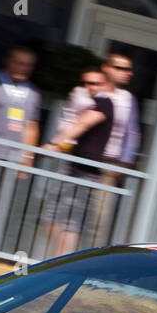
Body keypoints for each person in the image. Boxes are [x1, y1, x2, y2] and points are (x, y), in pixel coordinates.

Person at [44, 68, 114, 255]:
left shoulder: (104, 104)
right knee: (53, 217)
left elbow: (82, 124)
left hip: (87, 171)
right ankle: (58, 260)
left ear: (106, 85)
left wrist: (53, 143)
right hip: (75, 167)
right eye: (87, 83)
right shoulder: (96, 104)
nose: (90, 87)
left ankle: (60, 263)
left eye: (96, 83)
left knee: (70, 223)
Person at [59, 51, 141, 168]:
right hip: (78, 157)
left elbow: (132, 133)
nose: (128, 73)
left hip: (109, 163)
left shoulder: (127, 98)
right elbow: (69, 120)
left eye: (128, 70)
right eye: (121, 68)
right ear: (106, 68)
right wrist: (66, 146)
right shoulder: (83, 92)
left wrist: (125, 162)